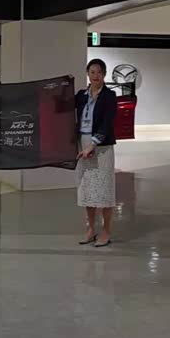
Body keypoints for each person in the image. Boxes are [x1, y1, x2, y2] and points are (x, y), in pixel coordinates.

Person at [75, 58, 118, 248]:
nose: (95, 76)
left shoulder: (109, 96)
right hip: (83, 145)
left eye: (99, 72)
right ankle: (91, 229)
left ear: (104, 74)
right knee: (88, 190)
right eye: (92, 72)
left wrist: (93, 144)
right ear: (87, 74)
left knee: (104, 191)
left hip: (101, 147)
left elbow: (107, 122)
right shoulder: (81, 95)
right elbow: (63, 107)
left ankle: (106, 231)